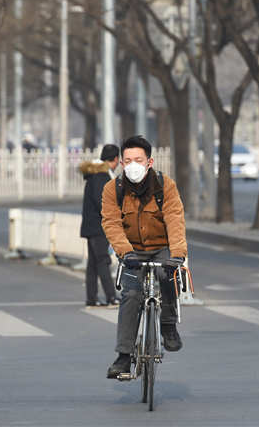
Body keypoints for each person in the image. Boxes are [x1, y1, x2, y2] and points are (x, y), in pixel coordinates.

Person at [101, 135, 187, 378]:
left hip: (163, 247)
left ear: (149, 162)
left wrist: (178, 254)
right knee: (130, 294)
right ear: (120, 163)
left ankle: (168, 326)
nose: (133, 165)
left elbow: (175, 218)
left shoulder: (165, 185)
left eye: (138, 159)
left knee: (167, 275)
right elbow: (111, 223)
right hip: (131, 251)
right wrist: (124, 252)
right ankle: (124, 355)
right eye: (127, 160)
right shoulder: (113, 189)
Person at [79, 144, 121, 307]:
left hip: (92, 225)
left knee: (93, 264)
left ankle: (92, 297)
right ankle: (111, 296)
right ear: (116, 159)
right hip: (99, 226)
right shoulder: (101, 176)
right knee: (103, 261)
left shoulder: (95, 173)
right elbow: (102, 202)